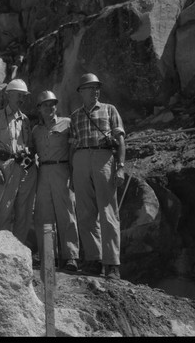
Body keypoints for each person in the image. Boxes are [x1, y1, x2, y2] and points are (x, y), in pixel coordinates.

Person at [69, 73, 126, 280]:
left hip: (104, 159)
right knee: (85, 212)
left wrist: (120, 167)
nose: (94, 91)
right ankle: (93, 260)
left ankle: (112, 264)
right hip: (81, 159)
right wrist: (71, 171)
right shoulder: (75, 116)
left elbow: (120, 140)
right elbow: (72, 146)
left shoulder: (110, 109)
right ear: (81, 92)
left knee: (108, 211)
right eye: (90, 87)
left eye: (96, 87)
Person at [32, 90, 79, 275]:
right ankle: (48, 257)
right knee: (44, 216)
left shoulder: (67, 123)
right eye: (45, 105)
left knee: (66, 213)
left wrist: (74, 173)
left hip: (63, 170)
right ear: (39, 108)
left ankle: (71, 257)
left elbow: (74, 147)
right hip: (43, 171)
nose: (50, 108)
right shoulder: (35, 130)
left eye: (52, 104)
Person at [0, 79, 37, 244]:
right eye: (18, 95)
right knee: (3, 209)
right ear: (9, 95)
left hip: (24, 167)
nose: (21, 98)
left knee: (24, 210)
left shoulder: (26, 120)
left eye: (24, 95)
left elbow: (29, 145)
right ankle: (2, 247)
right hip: (4, 166)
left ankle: (19, 249)